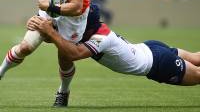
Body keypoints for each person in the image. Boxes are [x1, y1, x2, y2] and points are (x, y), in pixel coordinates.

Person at [32, 14, 200, 95]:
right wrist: (41, 25)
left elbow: (72, 54)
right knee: (196, 58)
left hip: (158, 64)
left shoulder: (100, 39)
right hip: (150, 48)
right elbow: (60, 38)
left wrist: (50, 32)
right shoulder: (89, 33)